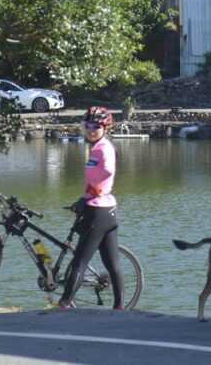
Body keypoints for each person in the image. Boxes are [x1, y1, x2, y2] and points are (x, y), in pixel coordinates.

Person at [58, 106, 124, 310]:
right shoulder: (100, 147)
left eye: (96, 126)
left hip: (97, 212)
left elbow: (106, 172)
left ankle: (63, 305)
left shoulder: (102, 148)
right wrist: (85, 197)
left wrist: (93, 195)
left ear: (106, 127)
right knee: (112, 264)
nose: (91, 130)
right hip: (106, 209)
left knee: (79, 263)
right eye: (87, 126)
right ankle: (120, 307)